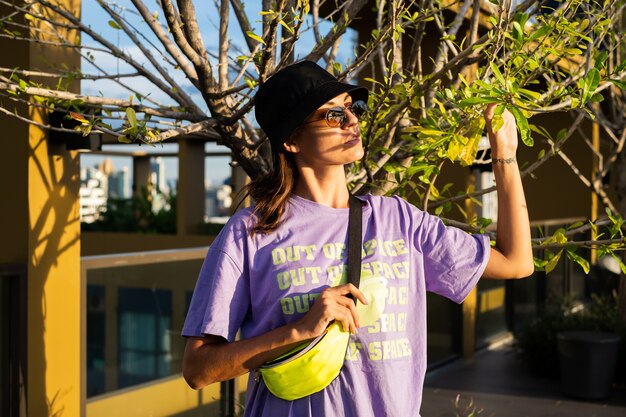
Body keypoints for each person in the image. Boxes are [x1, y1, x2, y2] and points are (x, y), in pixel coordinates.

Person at [181, 60, 534, 417]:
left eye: (352, 109)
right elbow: (198, 369)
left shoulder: (399, 219)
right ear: (291, 140)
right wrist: (300, 330)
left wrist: (504, 154)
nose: (352, 122)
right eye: (332, 115)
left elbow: (517, 261)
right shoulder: (250, 233)